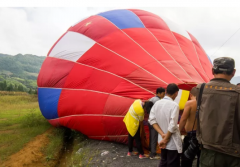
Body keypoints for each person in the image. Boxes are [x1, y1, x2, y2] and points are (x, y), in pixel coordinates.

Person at [196, 57, 240, 167]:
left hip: (208, 150)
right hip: (234, 152)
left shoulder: (201, 89)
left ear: (212, 71)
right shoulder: (237, 92)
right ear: (233, 72)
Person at [149, 83, 182, 167]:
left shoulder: (157, 103)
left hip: (161, 139)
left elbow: (152, 120)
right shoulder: (174, 105)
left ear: (166, 91)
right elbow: (173, 125)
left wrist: (162, 134)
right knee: (172, 163)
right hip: (172, 141)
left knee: (163, 162)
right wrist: (166, 138)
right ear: (176, 93)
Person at [179, 87, 200, 167]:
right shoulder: (205, 103)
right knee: (200, 157)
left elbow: (183, 119)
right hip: (202, 134)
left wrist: (179, 130)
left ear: (191, 95)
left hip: (191, 134)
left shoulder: (190, 103)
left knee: (186, 158)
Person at [148, 87, 165, 160]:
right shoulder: (158, 101)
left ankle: (150, 150)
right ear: (159, 93)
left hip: (149, 120)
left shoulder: (152, 98)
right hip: (154, 122)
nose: (164, 96)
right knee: (154, 138)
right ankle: (153, 154)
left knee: (152, 137)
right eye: (163, 94)